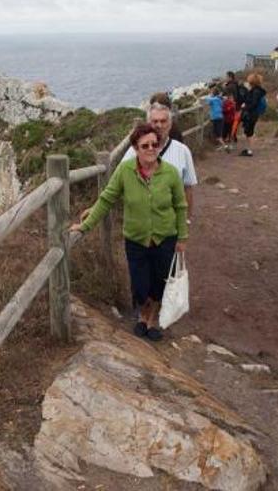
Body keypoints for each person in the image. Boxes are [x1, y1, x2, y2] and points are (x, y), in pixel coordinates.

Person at [72, 123, 188, 341]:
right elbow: (107, 198)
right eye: (145, 145)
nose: (151, 148)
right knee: (140, 284)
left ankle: (151, 320)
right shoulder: (125, 171)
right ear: (135, 148)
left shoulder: (170, 173)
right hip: (136, 239)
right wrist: (85, 226)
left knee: (160, 282)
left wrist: (182, 237)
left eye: (155, 144)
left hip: (165, 238)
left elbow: (180, 206)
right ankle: (142, 313)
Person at [123, 102, 198, 222]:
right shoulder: (134, 151)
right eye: (155, 121)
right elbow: (116, 183)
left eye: (163, 121)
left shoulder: (182, 151)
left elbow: (188, 188)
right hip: (140, 225)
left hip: (170, 225)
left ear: (170, 124)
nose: (159, 125)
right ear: (148, 124)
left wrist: (186, 220)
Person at [238, 73, 266, 157]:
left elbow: (253, 103)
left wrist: (245, 106)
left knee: (249, 132)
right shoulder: (258, 90)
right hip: (253, 113)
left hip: (251, 114)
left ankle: (250, 150)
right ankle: (248, 148)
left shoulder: (255, 91)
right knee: (249, 132)